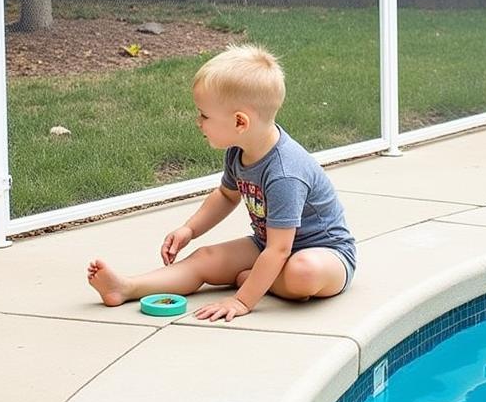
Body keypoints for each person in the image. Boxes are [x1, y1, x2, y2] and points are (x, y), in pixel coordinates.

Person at [87, 44, 356, 322]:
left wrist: (243, 299)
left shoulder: (285, 173)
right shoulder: (239, 152)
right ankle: (126, 287)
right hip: (267, 244)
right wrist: (190, 229)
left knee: (303, 271)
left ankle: (260, 280)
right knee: (205, 257)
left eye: (204, 115)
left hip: (326, 255)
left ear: (240, 122)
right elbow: (227, 196)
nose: (198, 122)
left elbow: (281, 249)